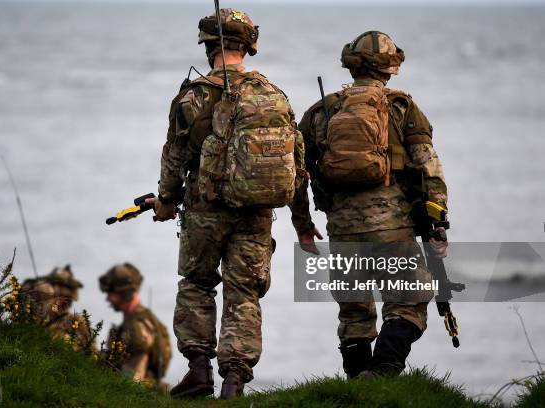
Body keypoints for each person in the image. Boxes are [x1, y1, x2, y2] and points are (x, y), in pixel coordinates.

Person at [145, 7, 318, 399]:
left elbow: (174, 157)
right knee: (244, 292)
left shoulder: (193, 95)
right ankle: (235, 381)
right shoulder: (273, 94)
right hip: (257, 214)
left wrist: (167, 203)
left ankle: (199, 370)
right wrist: (303, 224)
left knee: (197, 284)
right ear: (249, 46)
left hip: (205, 209)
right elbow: (298, 164)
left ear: (208, 46)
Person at [294, 31, 449, 378]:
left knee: (353, 314)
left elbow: (296, 175)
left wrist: (303, 225)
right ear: (390, 68)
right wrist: (439, 224)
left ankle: (358, 385)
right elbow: (429, 168)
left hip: (343, 229)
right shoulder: (401, 108)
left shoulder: (322, 111)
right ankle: (383, 372)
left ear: (351, 66)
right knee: (408, 302)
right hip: (392, 227)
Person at [99, 263, 171, 387]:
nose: (108, 299)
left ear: (124, 293)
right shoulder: (137, 319)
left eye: (111, 293)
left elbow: (133, 382)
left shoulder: (136, 326)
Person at [23, 265, 95, 351]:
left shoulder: (76, 320)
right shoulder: (37, 309)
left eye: (67, 298)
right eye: (60, 296)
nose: (61, 301)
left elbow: (92, 348)